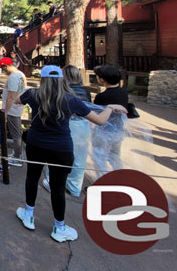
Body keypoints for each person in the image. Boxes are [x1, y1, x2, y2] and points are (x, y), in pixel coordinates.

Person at [15, 65, 127, 243]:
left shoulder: (33, 95)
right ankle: (59, 227)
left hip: (36, 143)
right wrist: (110, 107)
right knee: (58, 187)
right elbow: (99, 120)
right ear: (61, 80)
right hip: (61, 147)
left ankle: (28, 214)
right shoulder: (70, 100)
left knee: (32, 177)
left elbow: (16, 101)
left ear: (42, 79)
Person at [43, 65, 91, 197]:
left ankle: (52, 182)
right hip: (82, 125)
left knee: (56, 154)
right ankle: (74, 187)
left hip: (65, 124)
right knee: (79, 157)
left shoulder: (62, 92)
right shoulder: (85, 92)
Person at [91, 65, 129, 172]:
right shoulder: (123, 93)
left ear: (102, 79)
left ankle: (102, 182)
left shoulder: (101, 96)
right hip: (118, 130)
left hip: (104, 132)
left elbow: (96, 114)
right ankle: (118, 180)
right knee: (115, 157)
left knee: (100, 158)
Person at [0, 56, 26, 166]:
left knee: (16, 134)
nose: (2, 70)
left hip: (12, 109)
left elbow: (11, 96)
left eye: (3, 68)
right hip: (18, 107)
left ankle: (17, 157)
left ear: (7, 66)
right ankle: (17, 153)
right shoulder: (21, 75)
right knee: (17, 132)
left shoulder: (13, 77)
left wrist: (5, 112)